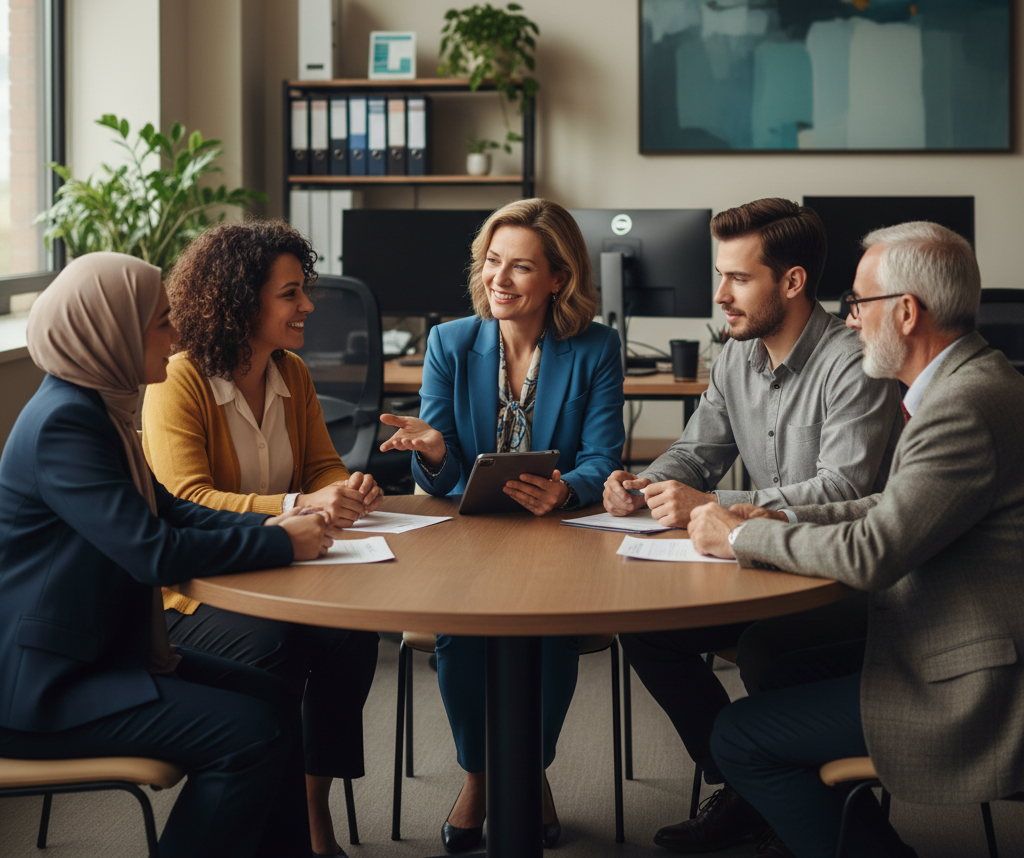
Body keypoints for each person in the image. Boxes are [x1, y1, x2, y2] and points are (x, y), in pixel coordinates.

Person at [686, 221, 1024, 858]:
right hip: (952, 630)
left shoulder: (962, 407)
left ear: (906, 312)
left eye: (858, 303)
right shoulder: (970, 381)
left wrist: (742, 538)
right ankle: (830, 828)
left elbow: (874, 552)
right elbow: (892, 505)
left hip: (977, 682)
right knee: (773, 659)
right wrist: (776, 522)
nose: (849, 320)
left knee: (737, 736)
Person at [0, 252, 338, 858]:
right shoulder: (64, 425)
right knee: (252, 734)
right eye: (162, 322)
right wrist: (280, 540)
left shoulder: (97, 408)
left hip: (101, 654)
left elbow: (173, 511)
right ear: (113, 334)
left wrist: (276, 524)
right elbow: (153, 553)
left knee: (276, 696)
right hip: (44, 687)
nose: (177, 334)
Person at [607, 198, 903, 854]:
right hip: (759, 564)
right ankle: (750, 789)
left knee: (770, 648)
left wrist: (713, 505)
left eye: (738, 279)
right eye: (721, 276)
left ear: (792, 282)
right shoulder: (736, 356)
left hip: (841, 577)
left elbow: (844, 489)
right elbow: (696, 452)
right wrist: (645, 483)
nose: (720, 296)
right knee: (648, 630)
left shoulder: (855, 362)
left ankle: (773, 790)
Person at [378, 198, 625, 853]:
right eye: (492, 261)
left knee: (551, 635)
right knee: (459, 635)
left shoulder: (596, 347)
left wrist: (565, 488)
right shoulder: (450, 342)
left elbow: (603, 457)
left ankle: (526, 769)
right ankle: (482, 775)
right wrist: (434, 451)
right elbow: (442, 477)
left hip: (557, 532)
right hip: (469, 533)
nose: (500, 278)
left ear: (558, 278)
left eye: (521, 266)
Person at [142, 219, 380, 858]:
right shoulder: (181, 380)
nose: (308, 306)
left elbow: (322, 465)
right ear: (240, 302)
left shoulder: (291, 372)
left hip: (284, 569)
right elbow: (186, 498)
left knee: (351, 633)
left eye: (305, 290)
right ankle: (271, 825)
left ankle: (310, 804)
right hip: (195, 589)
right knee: (276, 643)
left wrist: (346, 488)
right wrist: (298, 504)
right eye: (290, 294)